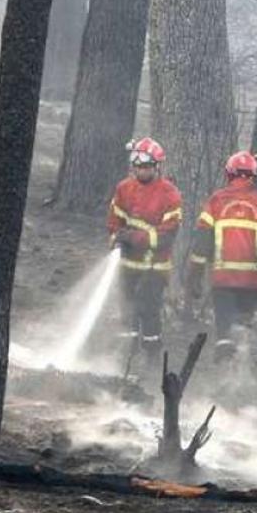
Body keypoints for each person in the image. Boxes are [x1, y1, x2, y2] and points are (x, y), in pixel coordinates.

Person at [185, 151, 257, 363]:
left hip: (222, 277)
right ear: (253, 176)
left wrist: (194, 277)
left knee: (224, 324)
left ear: (229, 174)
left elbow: (202, 242)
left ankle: (223, 345)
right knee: (243, 325)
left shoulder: (216, 201)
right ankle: (240, 371)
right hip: (252, 280)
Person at [107, 137, 182, 364]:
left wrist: (134, 238)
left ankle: (151, 355)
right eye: (138, 166)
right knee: (126, 309)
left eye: (146, 167)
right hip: (127, 264)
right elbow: (114, 222)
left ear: (157, 167)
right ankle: (125, 355)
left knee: (148, 309)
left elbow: (168, 235)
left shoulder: (170, 194)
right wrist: (116, 239)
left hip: (155, 268)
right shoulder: (124, 189)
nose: (141, 171)